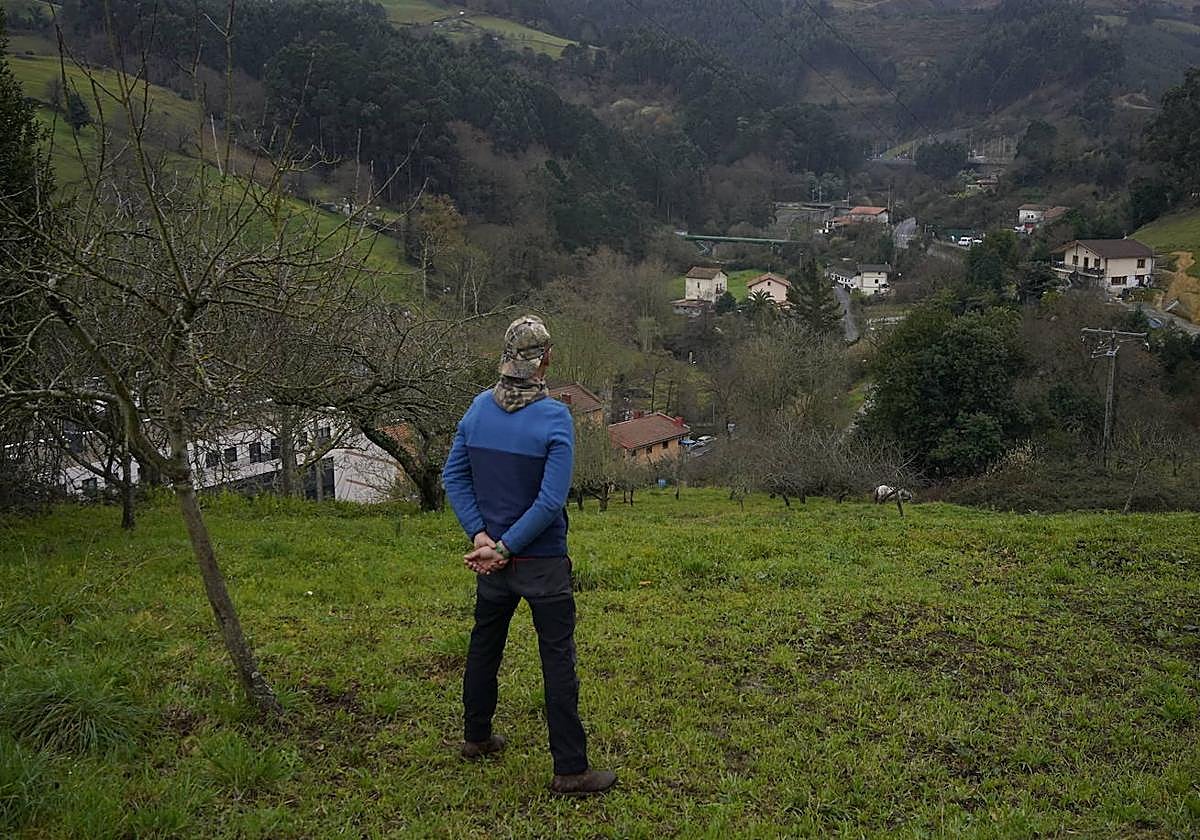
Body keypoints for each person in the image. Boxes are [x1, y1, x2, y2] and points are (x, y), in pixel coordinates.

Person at [442, 315, 617, 797]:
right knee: (557, 658)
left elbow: (453, 477)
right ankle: (570, 769)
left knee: (484, 646)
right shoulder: (555, 417)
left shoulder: (477, 410)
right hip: (540, 561)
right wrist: (506, 548)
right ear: (547, 359)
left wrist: (482, 538)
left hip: (492, 562)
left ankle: (476, 737)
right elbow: (549, 501)